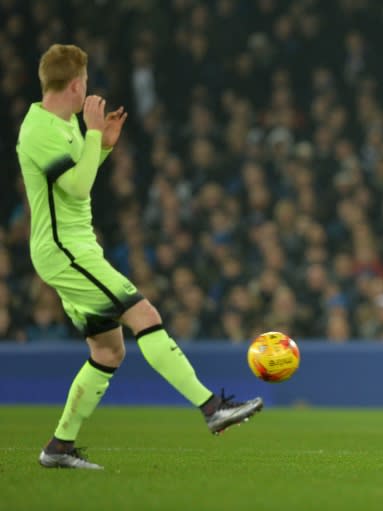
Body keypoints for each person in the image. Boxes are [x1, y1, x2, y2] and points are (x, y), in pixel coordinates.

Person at [16, 44, 263, 470]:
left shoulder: (66, 125)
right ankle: (212, 409)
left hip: (77, 247)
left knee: (109, 352)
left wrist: (104, 146)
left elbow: (78, 183)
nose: (88, 92)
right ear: (76, 84)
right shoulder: (40, 129)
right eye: (87, 84)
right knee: (143, 313)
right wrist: (94, 133)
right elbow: (75, 190)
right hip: (63, 250)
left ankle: (58, 447)